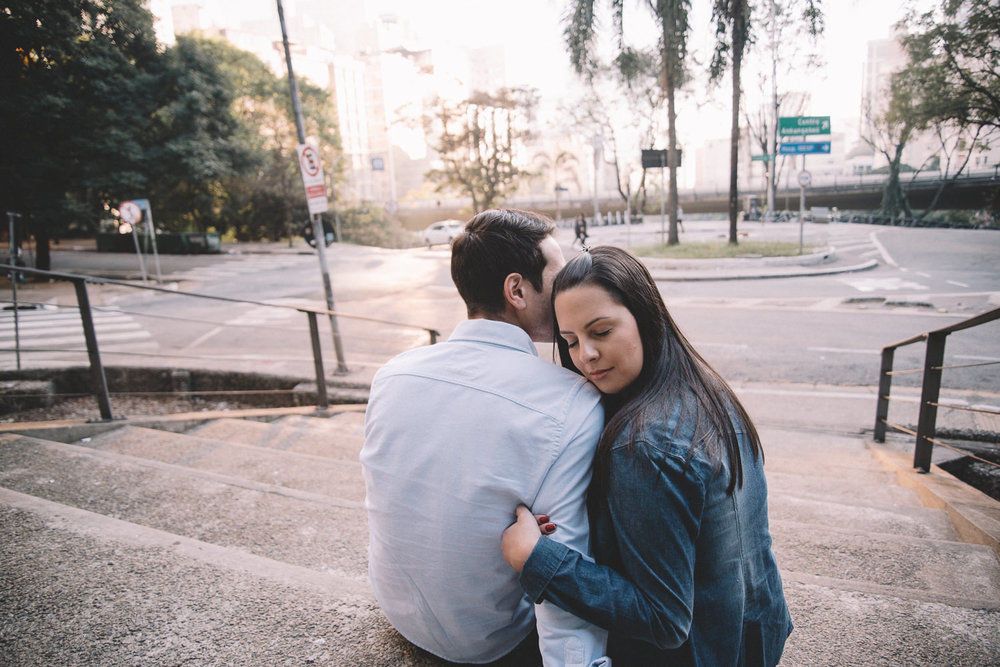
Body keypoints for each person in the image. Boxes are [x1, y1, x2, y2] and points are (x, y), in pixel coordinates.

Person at [501, 246, 792, 666]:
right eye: (570, 342)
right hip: (752, 634)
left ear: (645, 315)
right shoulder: (702, 385)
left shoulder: (643, 445)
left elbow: (664, 619)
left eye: (600, 332)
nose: (586, 356)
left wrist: (537, 559)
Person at [361, 209, 608, 665]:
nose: (569, 284)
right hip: (491, 639)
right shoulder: (569, 403)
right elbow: (562, 566)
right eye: (558, 272)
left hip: (399, 611)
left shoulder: (392, 375)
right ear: (517, 290)